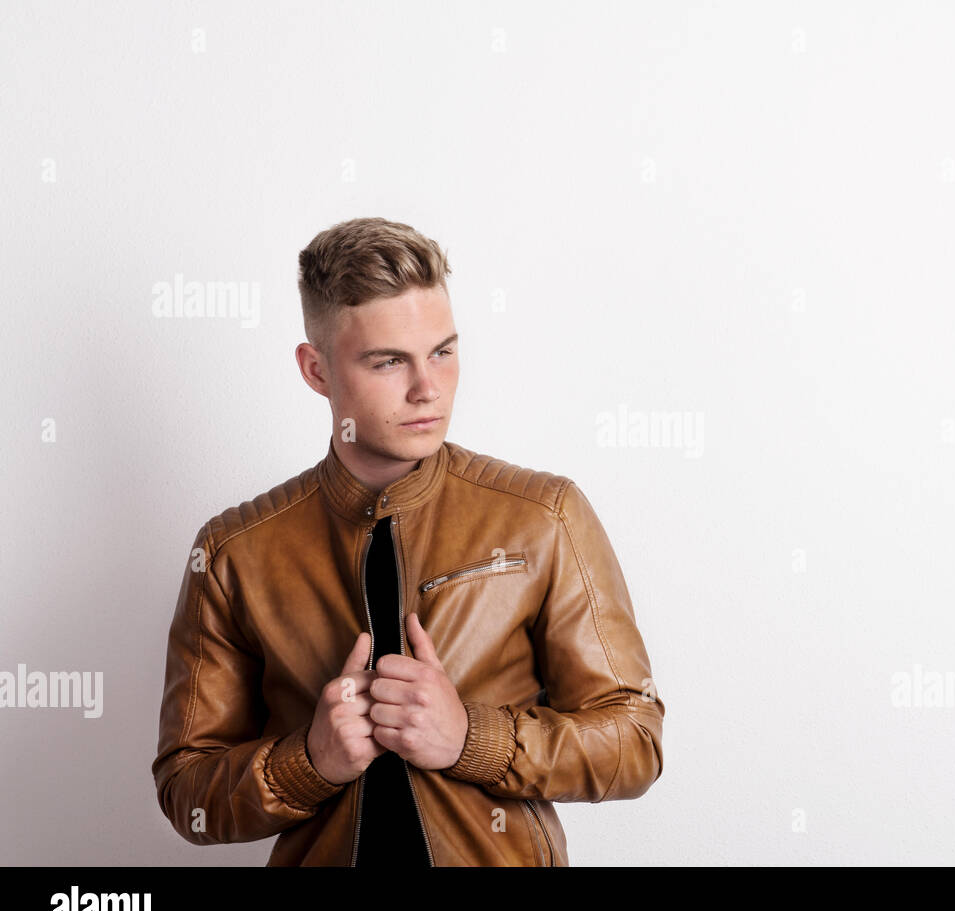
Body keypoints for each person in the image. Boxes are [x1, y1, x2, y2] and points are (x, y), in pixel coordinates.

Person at [151, 216, 665, 865]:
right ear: (316, 370)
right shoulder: (234, 554)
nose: (428, 388)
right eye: (389, 361)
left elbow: (635, 740)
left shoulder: (543, 517)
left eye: (443, 352)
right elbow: (186, 791)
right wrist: (308, 762)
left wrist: (470, 739)